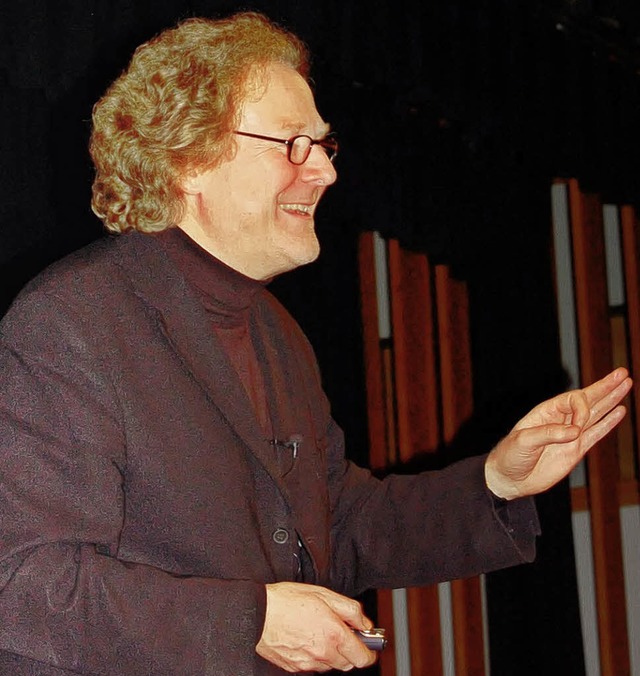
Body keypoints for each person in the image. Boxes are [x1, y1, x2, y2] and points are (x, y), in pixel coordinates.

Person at [0, 11, 632, 676]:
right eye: (292, 144)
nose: (325, 173)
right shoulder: (68, 325)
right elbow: (20, 583)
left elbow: (341, 523)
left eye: (323, 147)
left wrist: (496, 482)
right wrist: (253, 622)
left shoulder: (278, 336)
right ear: (187, 160)